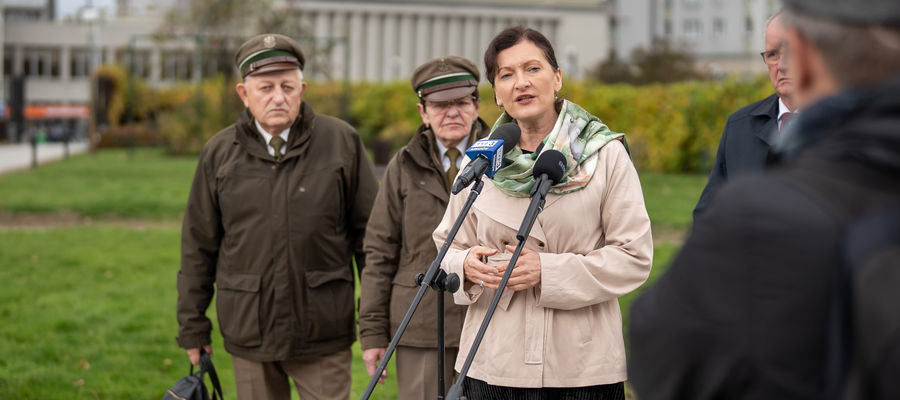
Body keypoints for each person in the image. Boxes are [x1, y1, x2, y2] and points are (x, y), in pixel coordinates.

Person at [629, 0, 900, 398]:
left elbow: (662, 357)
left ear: (805, 59)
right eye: (770, 53)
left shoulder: (754, 212)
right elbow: (706, 211)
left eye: (786, 50)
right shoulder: (741, 127)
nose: (779, 63)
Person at [433, 26, 653, 398]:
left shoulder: (605, 155)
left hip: (581, 367)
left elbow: (634, 256)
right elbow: (444, 248)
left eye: (533, 69)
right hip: (492, 360)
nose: (521, 82)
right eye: (506, 75)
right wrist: (466, 264)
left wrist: (546, 271)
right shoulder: (482, 160)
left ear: (557, 78)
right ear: (498, 95)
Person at [176, 33, 377, 400]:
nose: (278, 97)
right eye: (265, 87)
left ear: (302, 88)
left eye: (287, 86)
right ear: (243, 93)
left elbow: (371, 241)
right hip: (250, 331)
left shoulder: (341, 142)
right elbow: (198, 247)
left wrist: (375, 324)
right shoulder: (219, 153)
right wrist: (192, 327)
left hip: (323, 331)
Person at [358, 56, 491, 399]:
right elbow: (379, 252)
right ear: (423, 112)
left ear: (476, 105)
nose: (451, 113)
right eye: (439, 105)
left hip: (490, 323)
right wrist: (372, 334)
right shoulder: (402, 166)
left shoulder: (507, 160)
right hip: (420, 326)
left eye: (461, 102)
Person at [693, 11, 797, 217]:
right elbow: (708, 216)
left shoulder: (845, 126)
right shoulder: (740, 127)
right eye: (773, 55)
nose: (782, 66)